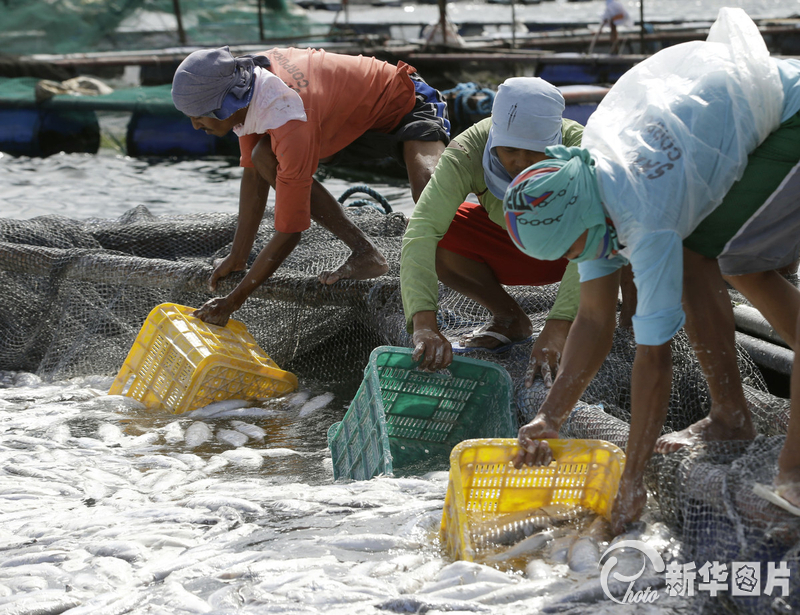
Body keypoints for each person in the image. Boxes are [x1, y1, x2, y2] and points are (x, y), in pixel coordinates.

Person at [501, 9, 800, 532]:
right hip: (734, 115)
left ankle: (763, 441)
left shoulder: (643, 217)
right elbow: (593, 319)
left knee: (710, 256)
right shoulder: (586, 188)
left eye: (569, 251)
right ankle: (732, 413)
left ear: (582, 222)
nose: (574, 261)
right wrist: (551, 415)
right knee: (708, 253)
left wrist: (633, 477)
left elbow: (654, 361)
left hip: (790, 119)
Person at [171, 46, 450, 326]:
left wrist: (233, 301)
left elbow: (290, 232)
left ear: (228, 102)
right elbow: (253, 174)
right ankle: (366, 253)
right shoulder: (248, 89)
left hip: (407, 102)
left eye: (200, 114)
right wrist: (237, 256)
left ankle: (463, 264)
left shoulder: (288, 112)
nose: (195, 125)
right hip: (347, 122)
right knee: (263, 157)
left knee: (428, 191)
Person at [401, 77, 583, 381]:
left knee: (625, 219)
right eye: (510, 149)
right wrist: (424, 326)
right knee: (438, 228)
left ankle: (630, 319)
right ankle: (509, 318)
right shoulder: (468, 149)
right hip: (517, 248)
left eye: (535, 152)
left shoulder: (584, 148)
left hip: (579, 252)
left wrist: (558, 326)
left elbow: (598, 239)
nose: (520, 162)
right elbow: (422, 230)